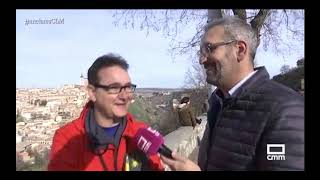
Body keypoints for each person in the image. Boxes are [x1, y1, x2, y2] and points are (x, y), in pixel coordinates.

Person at [161, 16, 304, 171]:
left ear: (240, 50)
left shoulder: (285, 110)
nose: (202, 60)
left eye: (209, 48)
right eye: (201, 52)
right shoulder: (218, 102)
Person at [48, 53, 164, 171]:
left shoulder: (142, 135)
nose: (124, 96)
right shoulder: (67, 139)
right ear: (93, 93)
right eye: (114, 88)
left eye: (128, 87)